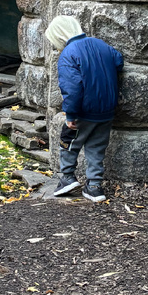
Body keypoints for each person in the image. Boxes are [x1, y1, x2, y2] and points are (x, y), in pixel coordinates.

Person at [45, 15, 124, 203]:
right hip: (106, 110)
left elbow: (72, 88)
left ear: (59, 35)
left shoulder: (68, 54)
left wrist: (71, 114)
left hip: (83, 111)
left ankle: (68, 178)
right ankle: (95, 187)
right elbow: (118, 60)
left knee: (68, 141)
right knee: (97, 147)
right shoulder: (100, 44)